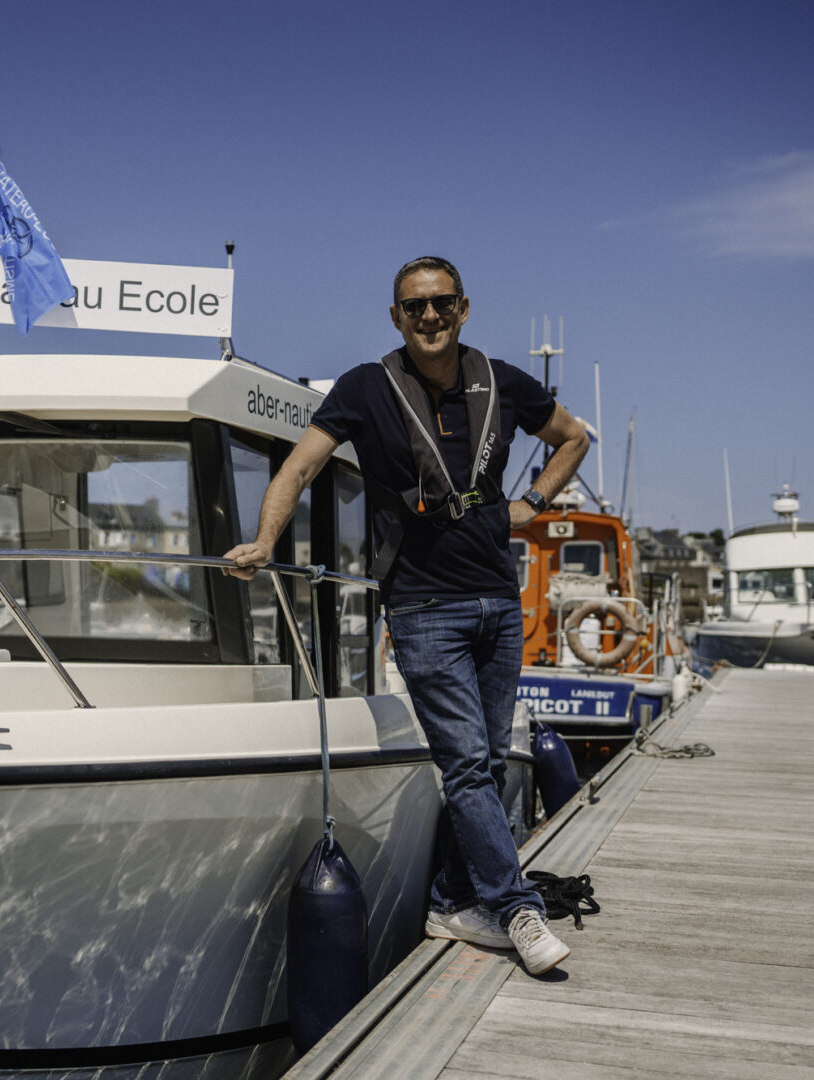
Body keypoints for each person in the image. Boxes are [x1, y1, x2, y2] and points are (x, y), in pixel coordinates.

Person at [224, 256, 589, 975]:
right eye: (414, 307)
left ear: (463, 309)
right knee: (465, 767)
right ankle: (517, 908)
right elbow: (298, 469)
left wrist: (534, 505)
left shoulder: (501, 380)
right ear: (396, 316)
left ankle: (453, 902)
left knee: (484, 760)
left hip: (497, 601)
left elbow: (573, 437)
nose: (429, 317)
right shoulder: (366, 387)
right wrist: (266, 541)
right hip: (423, 606)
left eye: (442, 304)